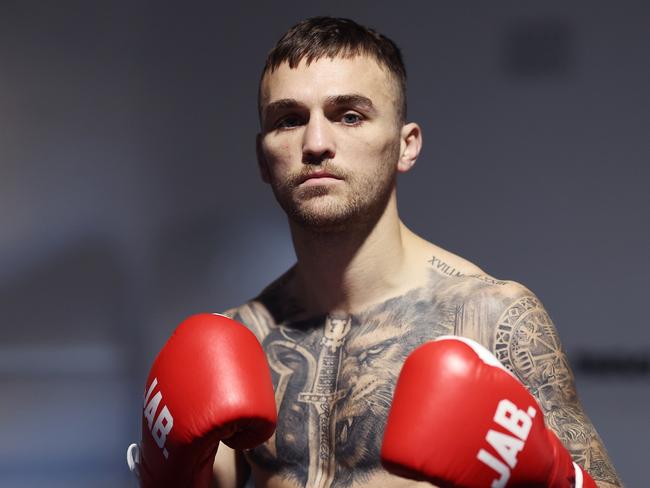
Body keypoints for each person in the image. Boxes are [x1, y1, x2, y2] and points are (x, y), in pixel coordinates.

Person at [129, 16, 623, 488]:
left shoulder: (491, 318)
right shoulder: (239, 341)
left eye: (349, 116)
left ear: (407, 146)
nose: (316, 143)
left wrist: (551, 478)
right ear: (263, 156)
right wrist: (161, 473)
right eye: (289, 120)